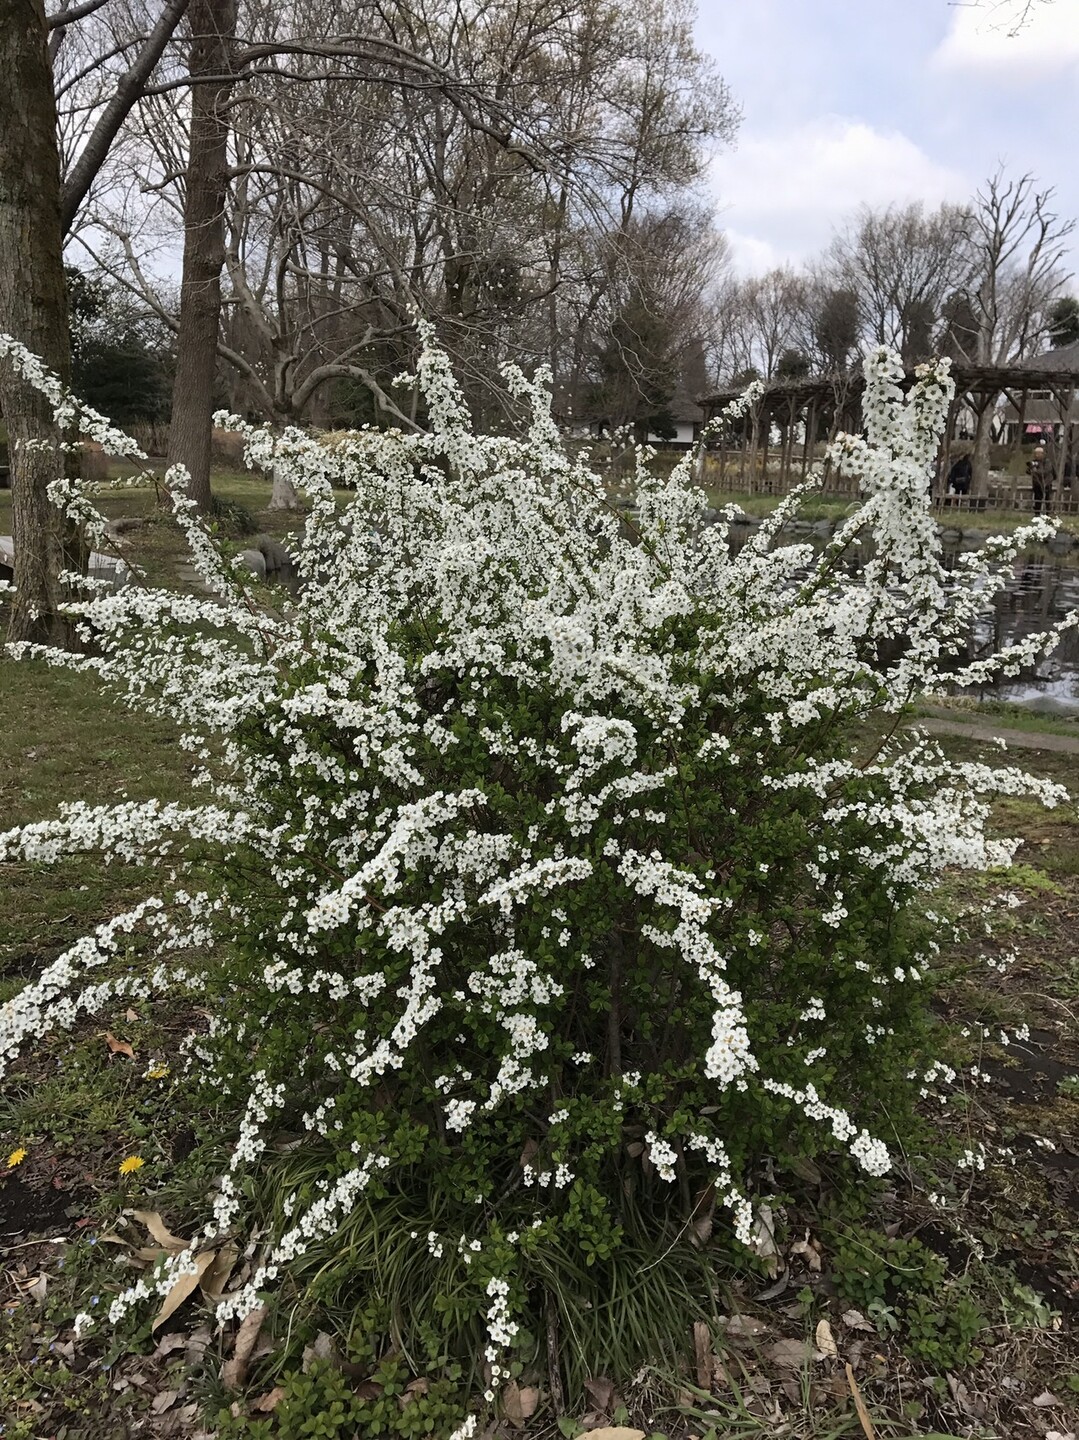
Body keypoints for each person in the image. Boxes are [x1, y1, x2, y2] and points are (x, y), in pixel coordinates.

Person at [1028, 445, 1051, 514]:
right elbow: (1028, 471)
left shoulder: (1047, 462)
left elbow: (1046, 471)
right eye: (1036, 453)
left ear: (1042, 454)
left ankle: (1048, 514)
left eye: (1038, 453)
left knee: (1047, 499)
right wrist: (1031, 468)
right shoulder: (1034, 462)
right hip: (1036, 484)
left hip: (1046, 483)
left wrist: (1036, 471)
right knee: (1037, 499)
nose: (1037, 455)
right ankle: (1037, 514)